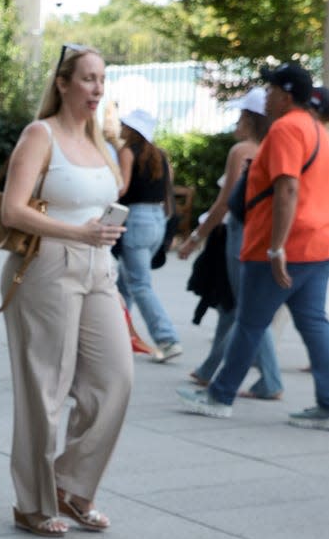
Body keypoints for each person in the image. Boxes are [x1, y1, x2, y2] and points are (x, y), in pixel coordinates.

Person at [0, 43, 132, 536]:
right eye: (87, 78)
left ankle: (73, 486)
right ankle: (33, 502)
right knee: (45, 390)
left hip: (100, 268)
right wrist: (79, 233)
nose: (97, 88)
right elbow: (12, 210)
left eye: (101, 79)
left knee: (115, 379)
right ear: (63, 83)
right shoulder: (42, 134)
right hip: (49, 265)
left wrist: (99, 236)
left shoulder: (101, 141)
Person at [178, 61, 329, 429]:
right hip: (315, 243)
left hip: (279, 246)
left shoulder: (286, 129)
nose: (267, 97)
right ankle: (327, 404)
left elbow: (287, 188)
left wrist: (276, 248)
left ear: (286, 94)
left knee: (249, 322)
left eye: (272, 90)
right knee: (313, 323)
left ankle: (219, 396)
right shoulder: (319, 130)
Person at [179, 87, 281, 398]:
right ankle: (210, 369)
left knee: (247, 309)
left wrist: (195, 237)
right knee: (232, 304)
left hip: (238, 234)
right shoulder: (272, 148)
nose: (236, 121)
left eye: (240, 115)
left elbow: (225, 203)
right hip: (260, 232)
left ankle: (270, 380)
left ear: (250, 119)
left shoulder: (242, 152)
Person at [115, 109, 181, 361]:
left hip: (136, 220)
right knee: (126, 284)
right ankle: (119, 336)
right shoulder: (159, 155)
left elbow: (122, 188)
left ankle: (167, 338)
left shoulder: (127, 152)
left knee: (139, 284)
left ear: (132, 129)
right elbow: (167, 195)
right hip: (157, 221)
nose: (121, 127)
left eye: (124, 124)